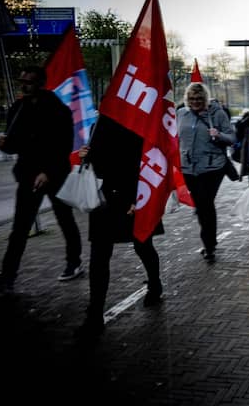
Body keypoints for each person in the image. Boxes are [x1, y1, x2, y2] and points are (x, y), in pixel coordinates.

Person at [0, 65, 83, 292]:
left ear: (40, 83)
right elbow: (15, 143)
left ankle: (74, 262)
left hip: (54, 175)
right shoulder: (18, 108)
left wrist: (48, 172)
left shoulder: (57, 109)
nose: (24, 86)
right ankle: (8, 274)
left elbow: (63, 144)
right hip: (28, 176)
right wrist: (5, 145)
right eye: (21, 81)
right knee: (20, 227)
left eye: (28, 82)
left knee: (64, 219)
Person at [75, 115, 164, 340]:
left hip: (130, 199)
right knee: (99, 257)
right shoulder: (99, 124)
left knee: (143, 245)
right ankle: (94, 314)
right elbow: (98, 160)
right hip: (104, 200)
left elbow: (142, 161)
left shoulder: (138, 124)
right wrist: (86, 155)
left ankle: (155, 284)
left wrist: (138, 197)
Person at [177, 83, 236, 262]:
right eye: (192, 99)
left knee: (205, 204)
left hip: (212, 167)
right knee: (201, 205)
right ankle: (209, 242)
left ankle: (209, 245)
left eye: (199, 99)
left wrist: (218, 135)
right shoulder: (181, 113)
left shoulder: (217, 114)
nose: (195, 102)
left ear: (205, 99)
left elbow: (232, 138)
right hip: (188, 167)